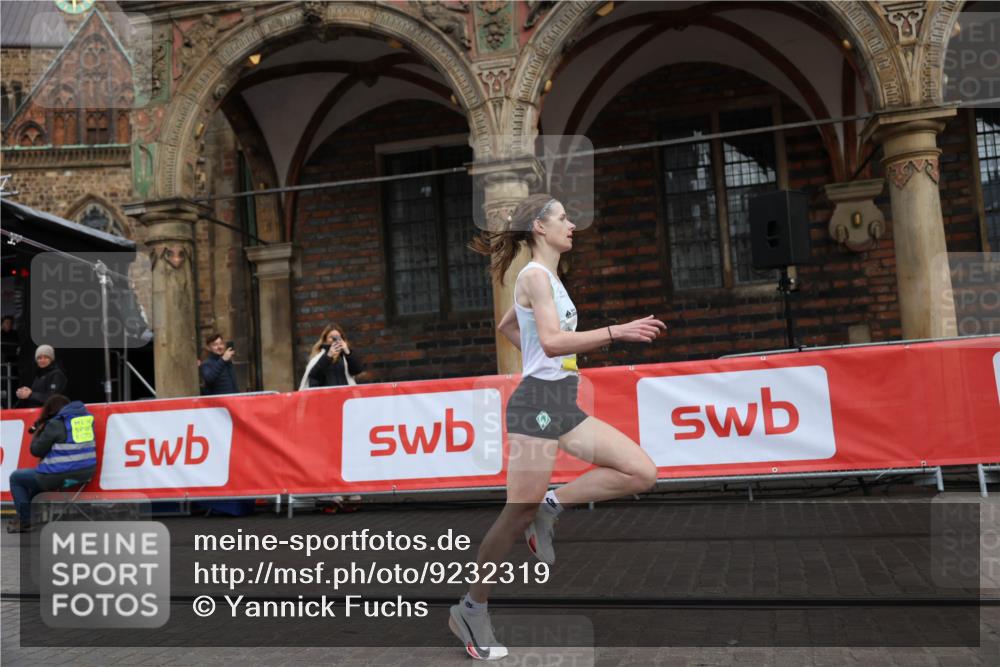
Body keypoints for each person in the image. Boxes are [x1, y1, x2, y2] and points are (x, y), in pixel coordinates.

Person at [448, 194, 666, 660]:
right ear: (540, 228)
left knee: (641, 473)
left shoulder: (546, 279)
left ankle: (553, 504)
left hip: (558, 401)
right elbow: (548, 342)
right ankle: (471, 607)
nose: (572, 225)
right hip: (537, 406)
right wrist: (616, 331)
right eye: (563, 218)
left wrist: (541, 356)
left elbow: (513, 326)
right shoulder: (533, 275)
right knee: (515, 513)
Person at [6, 394, 97, 533]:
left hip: (59, 476)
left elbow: (36, 450)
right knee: (35, 482)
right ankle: (25, 517)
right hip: (85, 475)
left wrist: (39, 430)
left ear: (49, 411)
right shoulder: (84, 422)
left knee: (16, 478)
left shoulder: (55, 424)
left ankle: (25, 521)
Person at [300, 324, 362, 389]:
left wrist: (347, 351)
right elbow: (314, 375)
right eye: (331, 337)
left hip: (344, 394)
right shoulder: (319, 356)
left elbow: (357, 370)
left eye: (338, 337)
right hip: (326, 394)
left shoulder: (345, 356)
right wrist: (328, 356)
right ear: (325, 340)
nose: (335, 339)